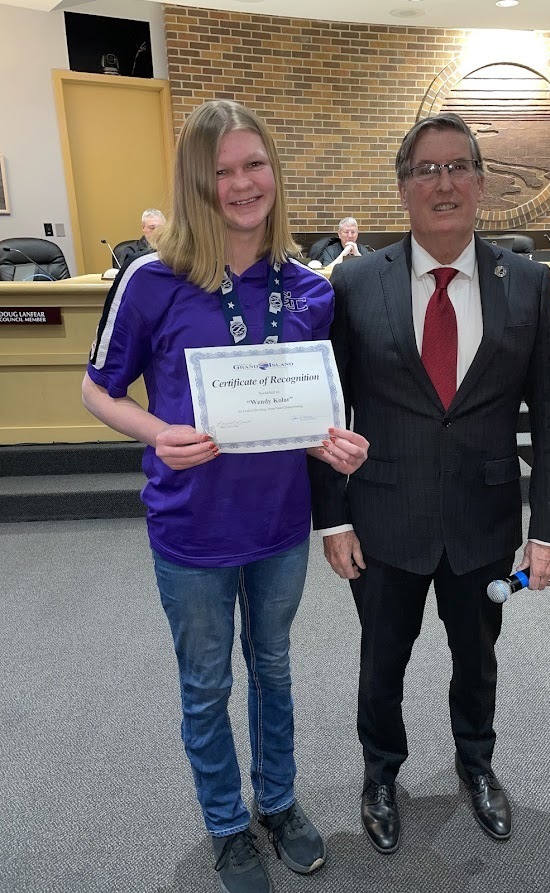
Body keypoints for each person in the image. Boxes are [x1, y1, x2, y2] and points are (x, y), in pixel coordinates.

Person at [82, 99, 368, 893]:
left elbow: (305, 404)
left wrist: (329, 437)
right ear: (194, 183)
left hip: (277, 526)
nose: (242, 184)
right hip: (191, 528)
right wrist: (151, 430)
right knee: (207, 683)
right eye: (222, 172)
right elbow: (96, 389)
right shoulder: (152, 278)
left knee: (272, 667)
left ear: (274, 171)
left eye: (255, 164)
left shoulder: (310, 287)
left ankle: (276, 800)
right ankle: (227, 824)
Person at [309, 113, 550, 854]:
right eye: (426, 169)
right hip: (382, 514)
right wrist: (333, 520)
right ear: (402, 189)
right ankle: (379, 774)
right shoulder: (356, 282)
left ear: (482, 183)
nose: (445, 181)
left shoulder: (525, 283)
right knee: (380, 660)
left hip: (484, 518)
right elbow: (328, 414)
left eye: (459, 166)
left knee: (478, 657)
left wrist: (549, 529)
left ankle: (477, 764)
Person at [308, 217, 374, 265]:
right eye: (346, 232)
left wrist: (357, 254)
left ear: (357, 234)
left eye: (353, 232)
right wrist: (344, 253)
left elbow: (368, 270)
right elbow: (328, 270)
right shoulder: (330, 250)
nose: (350, 236)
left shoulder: (363, 250)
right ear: (339, 234)